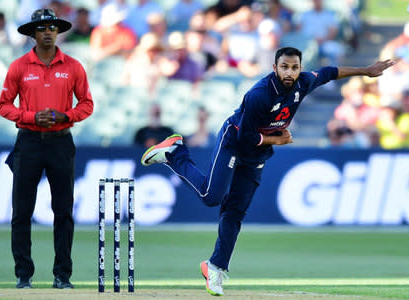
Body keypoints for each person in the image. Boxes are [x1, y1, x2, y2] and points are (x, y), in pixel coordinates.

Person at [140, 46, 394, 296]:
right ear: (274, 68)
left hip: (258, 154)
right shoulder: (259, 94)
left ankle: (215, 266)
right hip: (235, 142)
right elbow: (245, 137)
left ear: (300, 69)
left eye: (294, 67)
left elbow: (329, 72)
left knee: (235, 212)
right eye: (284, 67)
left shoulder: (303, 82)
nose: (289, 72)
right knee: (211, 197)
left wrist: (366, 71)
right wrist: (277, 140)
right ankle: (175, 153)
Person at [0, 9, 94, 289]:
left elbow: (86, 103)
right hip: (28, 142)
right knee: (21, 212)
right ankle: (23, 275)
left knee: (63, 210)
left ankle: (62, 275)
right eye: (42, 28)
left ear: (57, 31)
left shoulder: (73, 66)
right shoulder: (19, 67)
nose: (48, 32)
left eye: (52, 27)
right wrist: (29, 117)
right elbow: (4, 105)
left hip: (61, 142)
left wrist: (67, 116)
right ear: (33, 34)